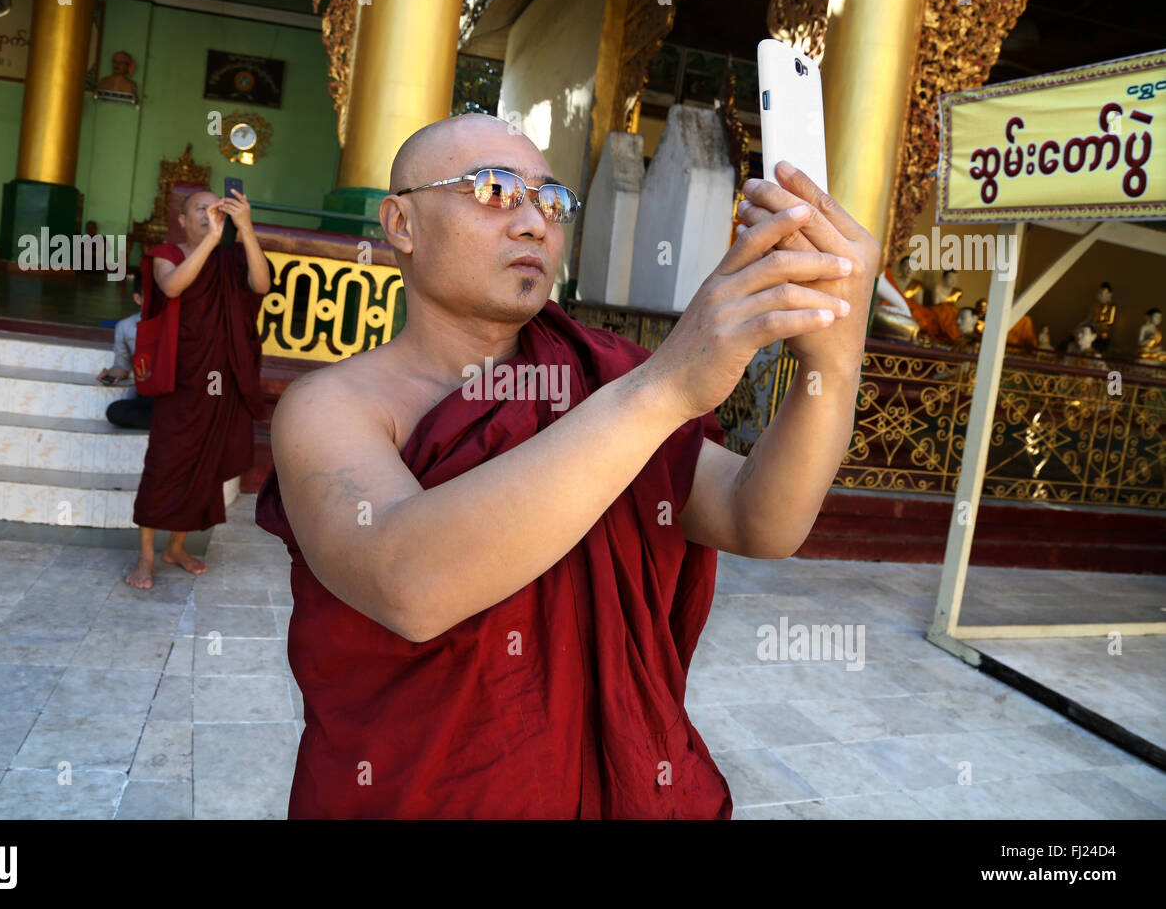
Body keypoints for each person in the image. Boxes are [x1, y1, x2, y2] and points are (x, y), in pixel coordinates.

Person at [255, 113, 879, 819]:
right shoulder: (331, 407)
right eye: (493, 190)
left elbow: (756, 518)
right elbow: (409, 584)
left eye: (551, 202)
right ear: (401, 224)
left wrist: (833, 365)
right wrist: (666, 387)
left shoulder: (598, 380)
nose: (532, 224)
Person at [124, 189, 270, 589]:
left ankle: (177, 547)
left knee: (203, 466)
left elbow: (261, 284)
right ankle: (146, 555)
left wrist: (246, 230)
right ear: (183, 220)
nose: (209, 216)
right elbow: (173, 287)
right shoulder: (166, 254)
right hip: (180, 376)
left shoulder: (232, 257)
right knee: (165, 464)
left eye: (216, 209)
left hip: (221, 378)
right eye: (200, 211)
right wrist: (209, 241)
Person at [98, 273, 151, 430]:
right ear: (138, 298)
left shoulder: (175, 323)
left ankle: (167, 421)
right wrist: (111, 374)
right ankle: (167, 422)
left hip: (173, 394)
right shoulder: (125, 327)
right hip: (147, 393)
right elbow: (122, 365)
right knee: (115, 411)